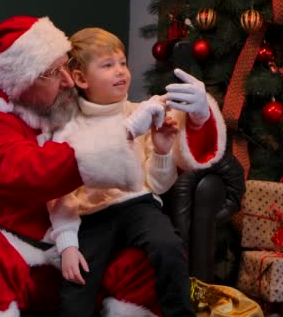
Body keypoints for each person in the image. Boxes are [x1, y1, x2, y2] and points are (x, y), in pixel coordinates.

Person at [0, 15, 227, 317]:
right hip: (18, 259)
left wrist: (198, 117)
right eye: (52, 72)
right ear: (20, 84)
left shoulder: (70, 110)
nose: (67, 80)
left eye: (65, 66)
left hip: (77, 252)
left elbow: (159, 139)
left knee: (146, 259)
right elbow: (34, 171)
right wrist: (124, 133)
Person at [46, 27, 193, 317]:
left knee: (168, 246)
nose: (120, 72)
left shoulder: (141, 112)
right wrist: (67, 246)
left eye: (122, 62)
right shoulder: (68, 127)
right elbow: (59, 193)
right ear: (81, 79)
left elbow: (157, 186)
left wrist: (162, 150)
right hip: (91, 217)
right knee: (76, 287)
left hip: (139, 206)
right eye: (108, 65)